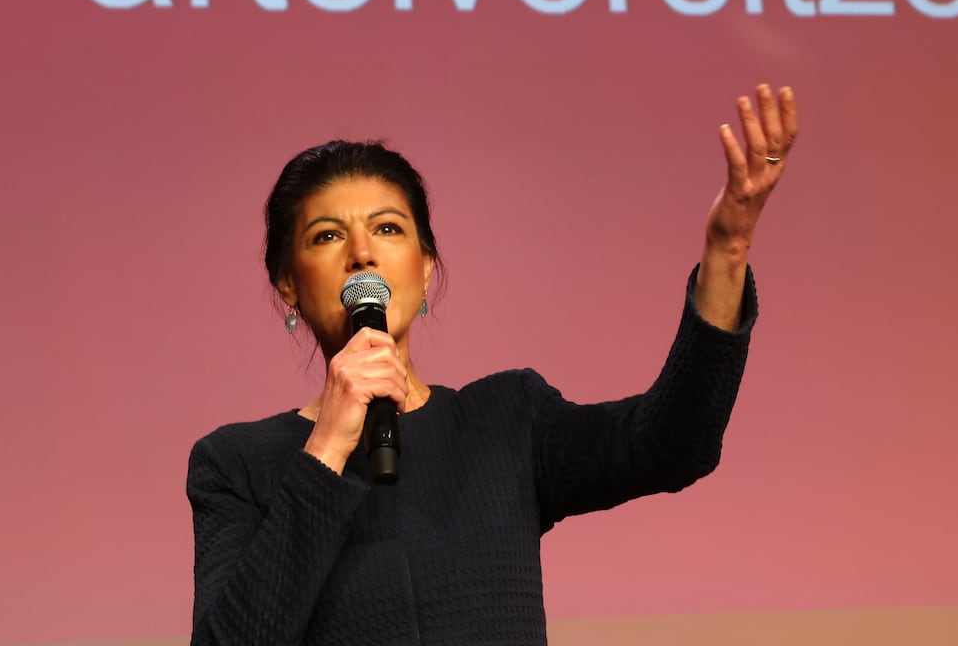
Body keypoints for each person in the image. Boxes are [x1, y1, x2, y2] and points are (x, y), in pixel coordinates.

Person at [187, 84, 799, 645]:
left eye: (389, 228)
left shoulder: (504, 421)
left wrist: (728, 249)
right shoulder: (236, 464)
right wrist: (323, 453)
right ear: (288, 283)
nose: (363, 253)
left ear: (425, 269)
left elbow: (673, 443)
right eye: (327, 237)